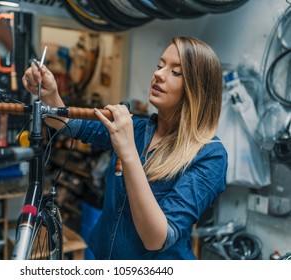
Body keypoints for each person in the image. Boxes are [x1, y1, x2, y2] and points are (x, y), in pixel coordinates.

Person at [22, 36, 227, 260]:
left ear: (198, 89)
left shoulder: (210, 155)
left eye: (175, 72)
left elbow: (157, 238)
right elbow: (68, 124)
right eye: (160, 66)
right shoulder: (137, 129)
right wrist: (51, 94)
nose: (158, 74)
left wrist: (128, 152)